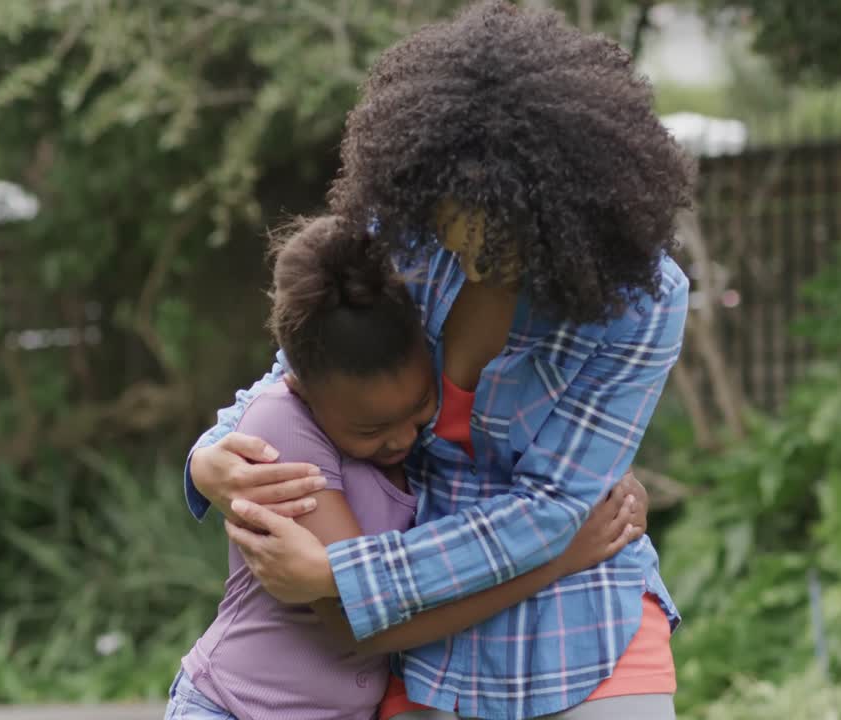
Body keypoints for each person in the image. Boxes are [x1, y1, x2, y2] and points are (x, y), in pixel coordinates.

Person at [186, 2, 694, 718]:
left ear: (566, 220)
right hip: (424, 624)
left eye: (501, 242)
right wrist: (208, 459)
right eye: (454, 227)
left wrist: (340, 573)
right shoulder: (402, 235)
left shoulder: (640, 303)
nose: (467, 258)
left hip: (578, 613)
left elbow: (553, 506)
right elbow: (299, 374)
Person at [166, 215, 642, 720]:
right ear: (302, 387)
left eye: (418, 409)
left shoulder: (413, 438)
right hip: (232, 708)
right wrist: (556, 562)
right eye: (371, 429)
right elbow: (362, 622)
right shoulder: (284, 431)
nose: (402, 439)